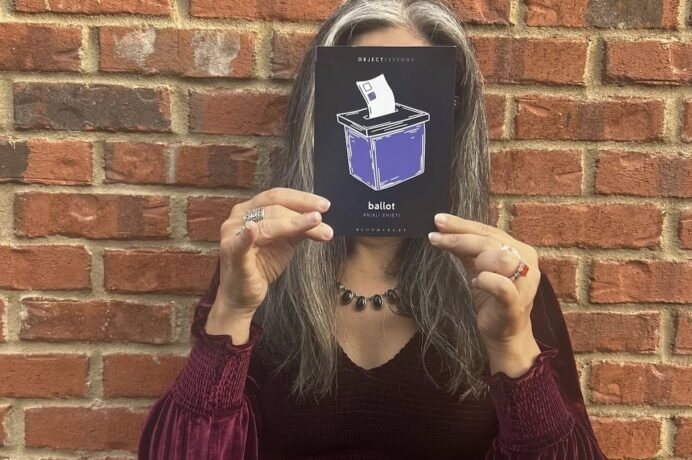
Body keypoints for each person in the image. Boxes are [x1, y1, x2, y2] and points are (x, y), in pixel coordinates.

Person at [138, 0, 607, 458]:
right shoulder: (257, 265)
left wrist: (512, 345)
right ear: (319, 115)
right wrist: (232, 311)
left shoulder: (503, 280)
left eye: (425, 91)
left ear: (454, 121)